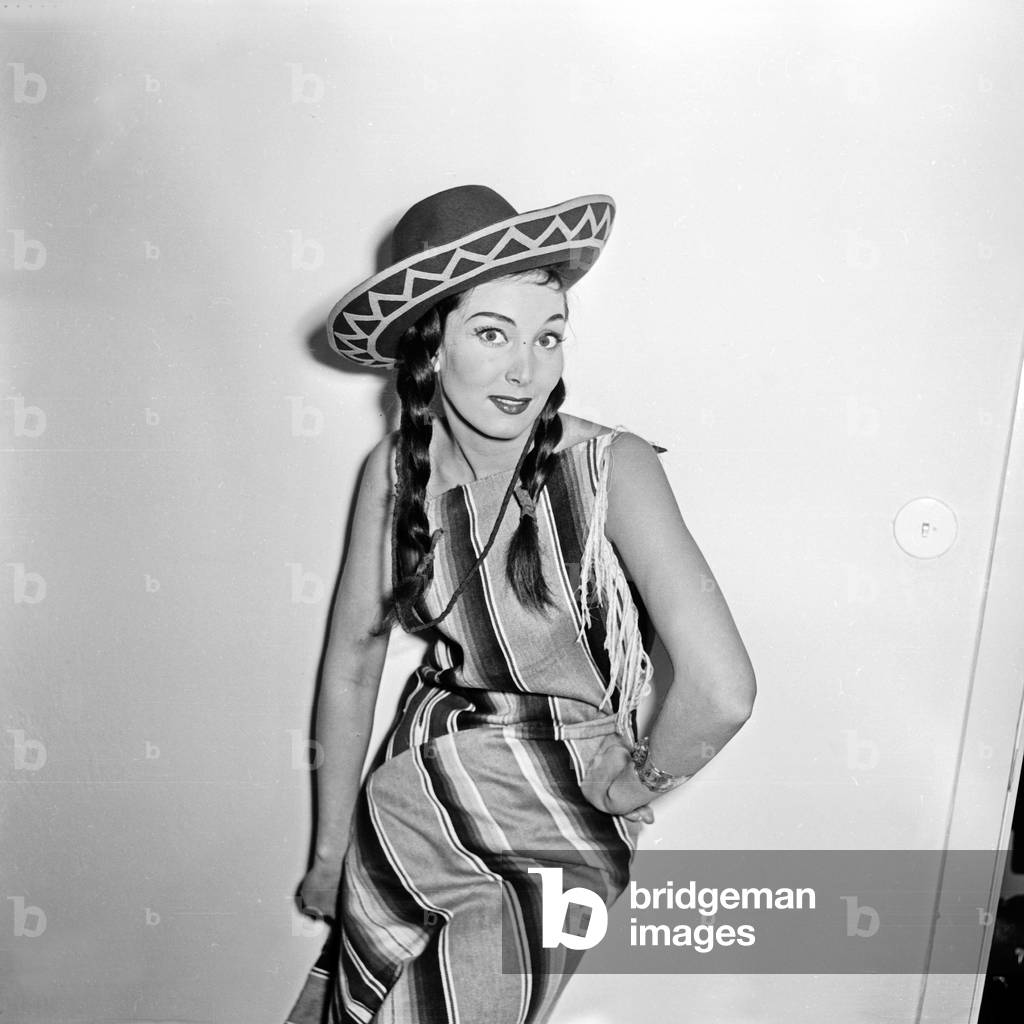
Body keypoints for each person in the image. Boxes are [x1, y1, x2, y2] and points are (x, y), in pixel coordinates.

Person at [283, 185, 756, 1024]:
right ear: (428, 346)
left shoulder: (615, 466)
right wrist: (330, 852)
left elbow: (722, 690)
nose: (526, 369)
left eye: (547, 336)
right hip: (414, 794)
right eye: (492, 334)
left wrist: (630, 781)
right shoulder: (394, 473)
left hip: (558, 817)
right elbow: (352, 663)